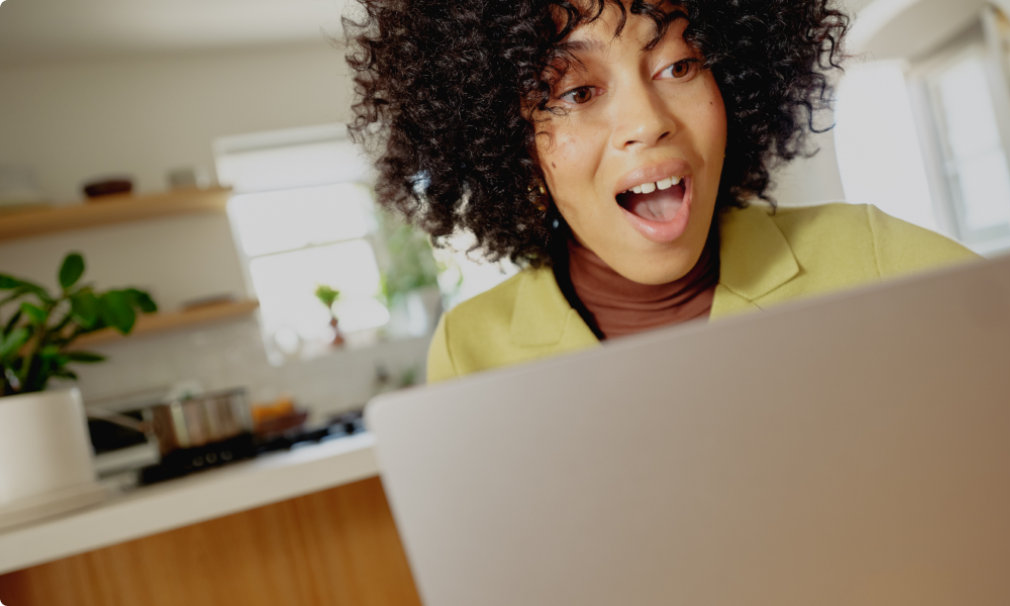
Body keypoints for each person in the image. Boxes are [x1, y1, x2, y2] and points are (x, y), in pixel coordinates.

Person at [346, 0, 976, 382]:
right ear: (509, 143)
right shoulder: (471, 351)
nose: (648, 121)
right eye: (577, 92)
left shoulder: (874, 260)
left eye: (679, 65)